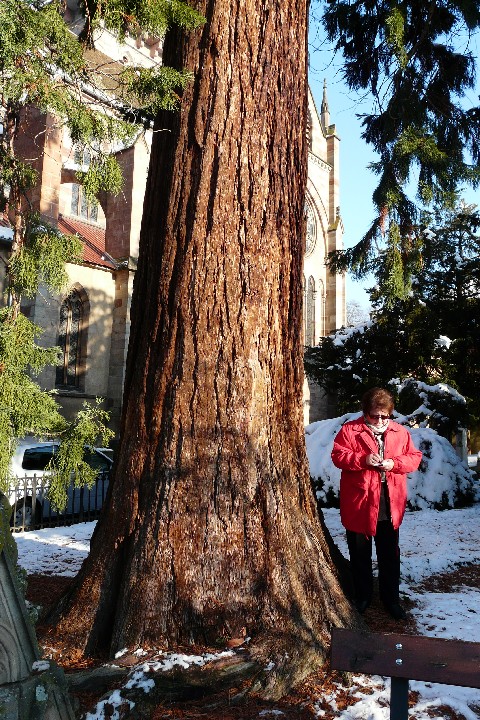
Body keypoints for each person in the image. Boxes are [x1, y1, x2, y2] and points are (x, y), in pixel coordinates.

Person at [331, 387, 422, 620]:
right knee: (360, 555)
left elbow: (414, 458)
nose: (380, 420)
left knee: (389, 555)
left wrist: (394, 463)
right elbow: (338, 456)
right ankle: (363, 597)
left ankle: (390, 599)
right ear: (366, 412)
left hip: (389, 503)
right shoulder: (350, 430)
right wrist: (362, 459)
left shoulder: (401, 433)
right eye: (375, 415)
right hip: (360, 503)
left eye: (385, 415)